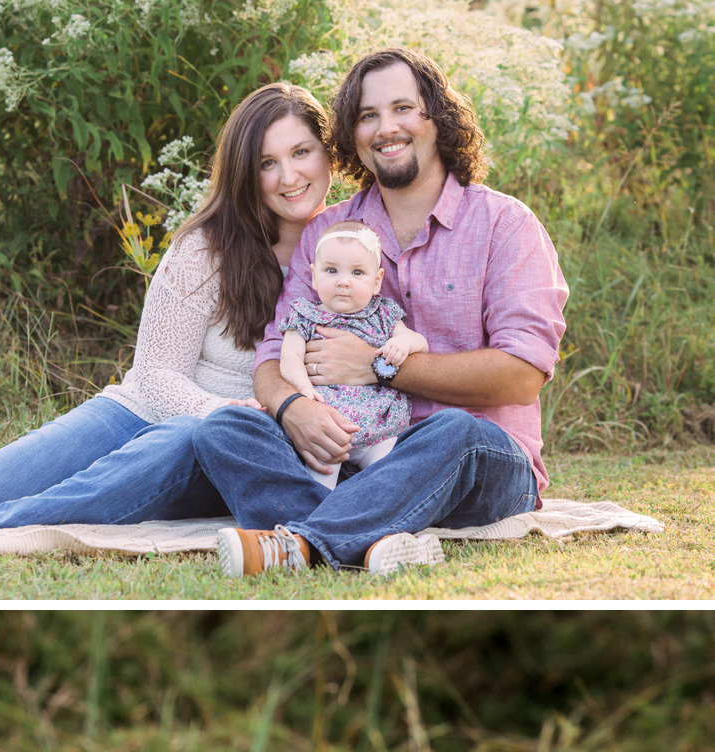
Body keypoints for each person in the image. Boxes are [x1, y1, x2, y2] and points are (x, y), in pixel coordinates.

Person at [0, 87, 333, 537]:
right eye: (267, 162)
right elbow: (154, 375)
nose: (288, 175)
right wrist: (216, 410)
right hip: (137, 415)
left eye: (301, 152)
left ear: (327, 153)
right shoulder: (208, 247)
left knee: (190, 438)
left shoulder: (349, 250)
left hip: (229, 455)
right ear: (246, 171)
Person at [186, 49, 568, 580]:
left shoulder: (507, 225)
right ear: (351, 133)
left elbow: (522, 376)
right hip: (349, 453)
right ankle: (372, 539)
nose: (386, 128)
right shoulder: (328, 234)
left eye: (403, 108)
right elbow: (273, 357)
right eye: (368, 115)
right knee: (226, 428)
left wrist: (380, 367)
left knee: (452, 431)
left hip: (475, 458)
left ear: (439, 117)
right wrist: (293, 408)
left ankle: (303, 541)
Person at [277, 220, 427, 487]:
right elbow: (289, 357)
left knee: (391, 476)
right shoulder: (305, 315)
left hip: (381, 428)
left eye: (357, 273)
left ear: (377, 281)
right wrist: (302, 387)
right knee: (319, 481)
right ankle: (317, 514)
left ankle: (373, 512)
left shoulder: (384, 313)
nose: (343, 282)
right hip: (327, 428)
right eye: (331, 270)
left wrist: (403, 343)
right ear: (314, 276)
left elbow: (419, 342)